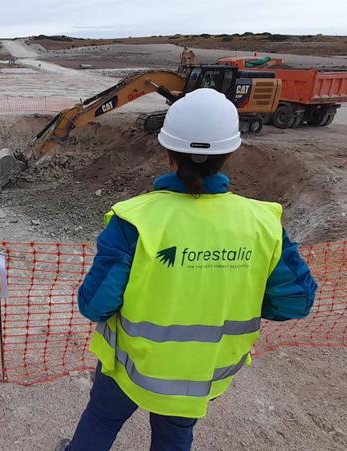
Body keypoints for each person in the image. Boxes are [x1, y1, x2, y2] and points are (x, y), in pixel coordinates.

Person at [57, 89, 317, 451]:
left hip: (131, 365)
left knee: (101, 420)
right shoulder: (263, 223)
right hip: (202, 373)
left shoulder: (135, 219)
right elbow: (296, 302)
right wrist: (236, 294)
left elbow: (94, 304)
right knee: (175, 435)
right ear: (230, 153)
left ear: (168, 152)